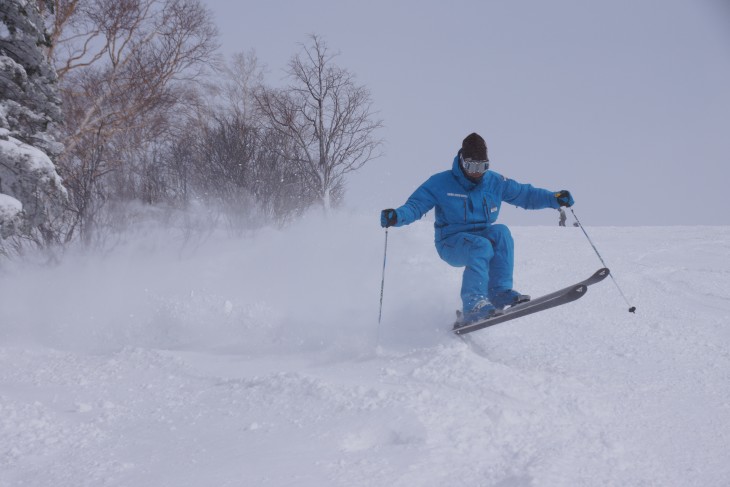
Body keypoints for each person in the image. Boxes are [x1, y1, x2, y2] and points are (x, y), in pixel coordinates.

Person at [380, 132, 574, 325]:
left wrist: (553, 198)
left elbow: (525, 194)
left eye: (483, 166)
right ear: (462, 161)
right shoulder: (440, 183)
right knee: (481, 245)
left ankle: (498, 292)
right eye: (472, 166)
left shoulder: (495, 182)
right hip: (450, 242)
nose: (477, 172)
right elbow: (416, 205)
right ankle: (473, 305)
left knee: (502, 233)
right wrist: (397, 216)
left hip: (480, 236)